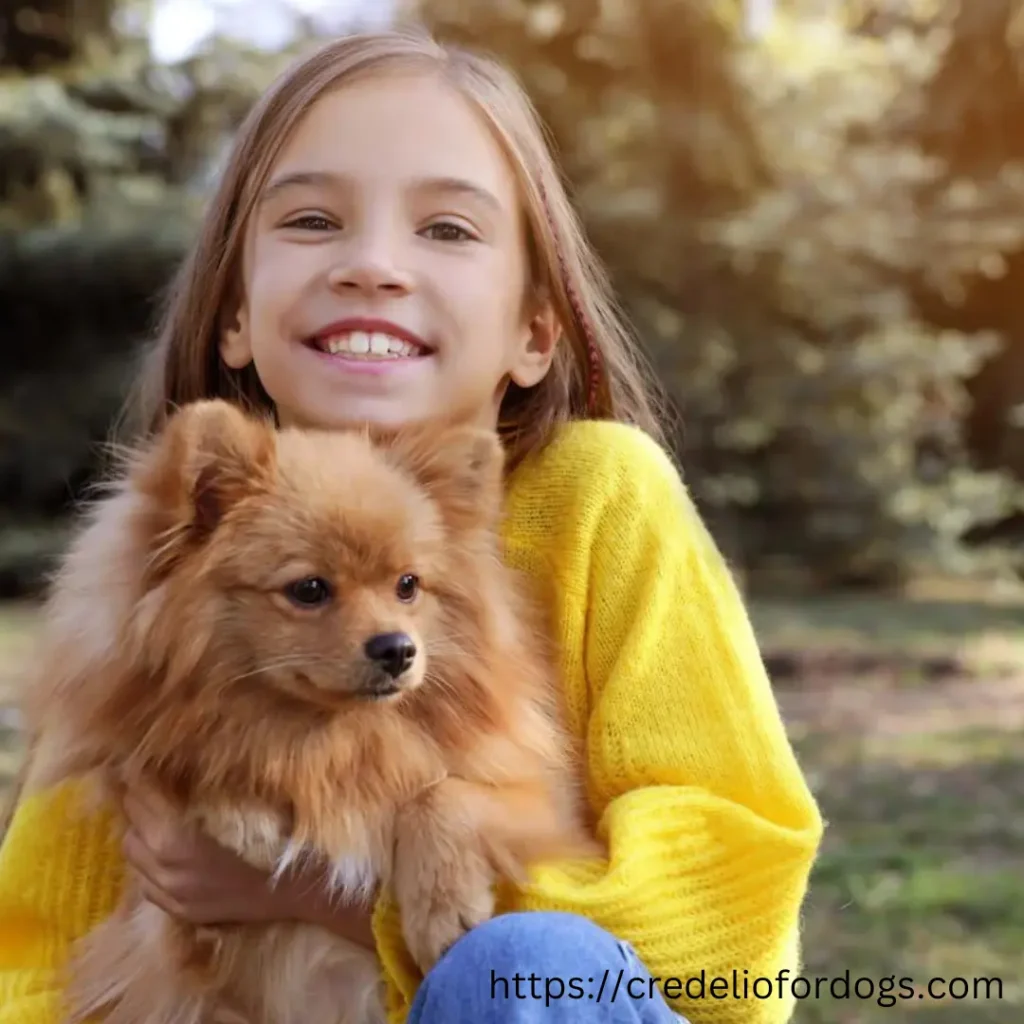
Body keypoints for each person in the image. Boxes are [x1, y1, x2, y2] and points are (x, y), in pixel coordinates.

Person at [0, 28, 823, 1024]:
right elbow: (37, 952)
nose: (374, 265)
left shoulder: (603, 496)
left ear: (533, 331)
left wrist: (340, 897)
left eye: (446, 228)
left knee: (523, 960)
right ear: (233, 317)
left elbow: (735, 921)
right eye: (311, 219)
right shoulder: (166, 558)